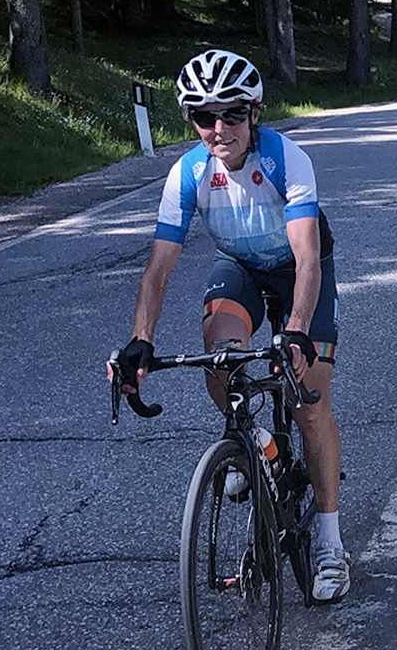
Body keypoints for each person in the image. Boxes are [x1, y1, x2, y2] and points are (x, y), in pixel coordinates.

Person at [118, 49, 350, 603]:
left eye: (233, 114)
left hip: (300, 269)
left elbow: (307, 258)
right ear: (190, 120)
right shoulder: (188, 173)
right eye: (204, 116)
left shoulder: (286, 159)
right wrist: (140, 340)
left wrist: (296, 330)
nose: (219, 129)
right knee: (220, 354)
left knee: (309, 402)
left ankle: (330, 543)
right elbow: (159, 267)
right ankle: (256, 443)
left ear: (255, 113)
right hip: (240, 265)